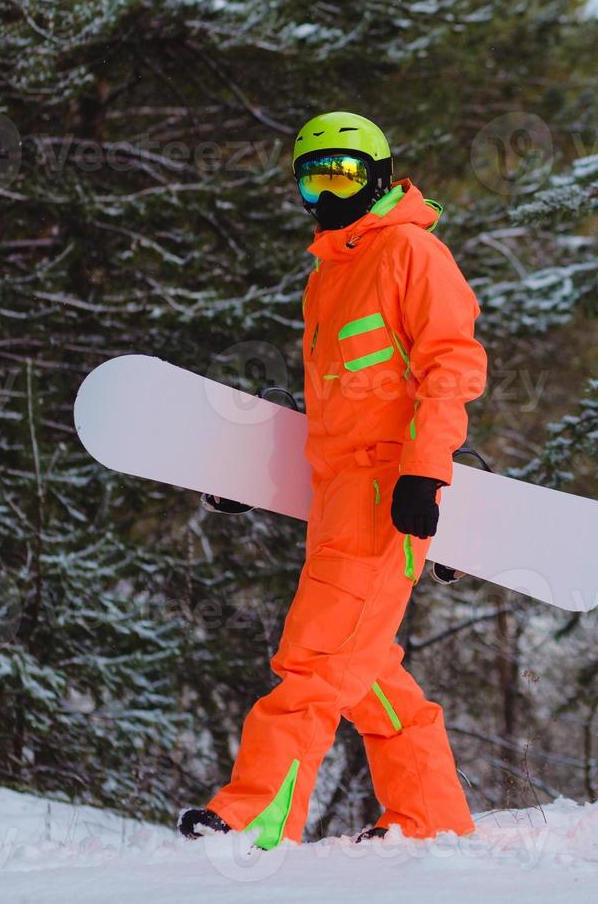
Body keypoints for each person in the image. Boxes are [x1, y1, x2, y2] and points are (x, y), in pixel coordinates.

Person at [179, 111, 486, 848]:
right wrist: (251, 472)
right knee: (369, 673)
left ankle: (254, 821)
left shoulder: (412, 251)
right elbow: (338, 406)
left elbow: (453, 365)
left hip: (387, 501)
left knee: (313, 661)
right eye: (315, 179)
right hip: (337, 502)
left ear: (378, 176)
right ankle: (430, 820)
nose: (329, 191)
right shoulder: (329, 276)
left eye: (344, 174)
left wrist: (426, 472)